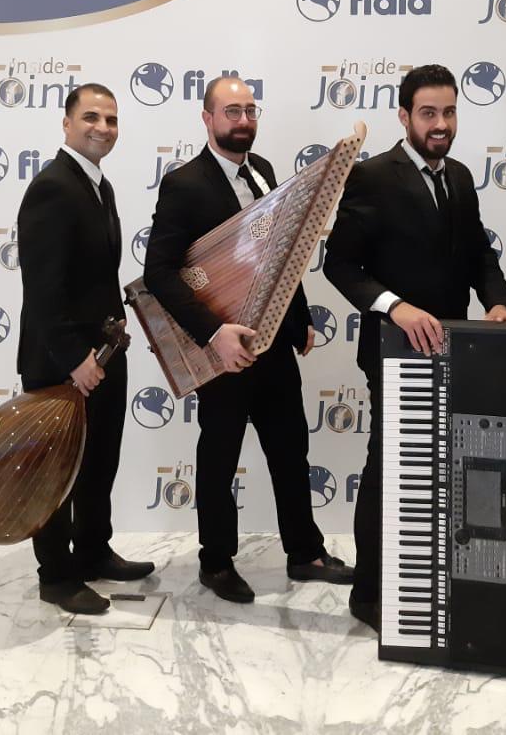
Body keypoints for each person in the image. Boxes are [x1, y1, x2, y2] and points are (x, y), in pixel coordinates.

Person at [323, 63, 506, 632]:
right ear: (404, 116)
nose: (441, 124)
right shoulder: (371, 176)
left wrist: (497, 302)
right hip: (395, 350)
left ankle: (425, 576)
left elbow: (479, 254)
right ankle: (369, 595)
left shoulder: (459, 175)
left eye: (449, 112)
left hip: (457, 348)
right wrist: (396, 306)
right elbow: (341, 265)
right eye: (429, 113)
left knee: (439, 473)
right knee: (389, 470)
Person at [143, 76, 354, 603]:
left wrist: (299, 318)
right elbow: (159, 272)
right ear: (208, 118)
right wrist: (214, 335)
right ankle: (215, 563)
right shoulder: (184, 184)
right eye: (231, 111)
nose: (243, 120)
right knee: (220, 458)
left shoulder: (262, 170)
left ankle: (304, 553)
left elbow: (286, 251)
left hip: (273, 344)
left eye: (250, 111)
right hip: (224, 352)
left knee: (291, 449)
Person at [16, 83, 155, 615]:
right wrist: (75, 358)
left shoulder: (100, 185)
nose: (103, 128)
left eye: (111, 120)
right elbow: (42, 288)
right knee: (56, 474)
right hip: (62, 363)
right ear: (67, 123)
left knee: (98, 463)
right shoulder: (53, 187)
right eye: (91, 117)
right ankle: (56, 576)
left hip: (104, 354)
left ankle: (94, 551)